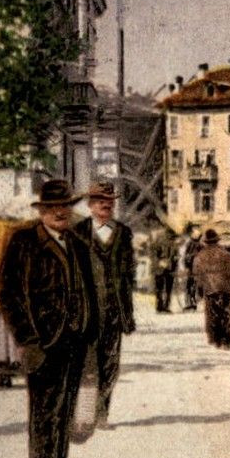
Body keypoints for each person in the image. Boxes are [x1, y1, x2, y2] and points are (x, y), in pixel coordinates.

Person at [0, 179, 99, 458]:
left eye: (65, 207)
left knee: (65, 406)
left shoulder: (77, 244)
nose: (60, 212)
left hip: (74, 338)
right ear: (42, 210)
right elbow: (10, 294)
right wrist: (28, 340)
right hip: (43, 339)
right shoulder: (24, 241)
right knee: (44, 407)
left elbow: (88, 290)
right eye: (53, 207)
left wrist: (89, 327)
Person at [74, 181, 136, 440]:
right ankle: (85, 413)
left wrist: (128, 312)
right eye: (101, 200)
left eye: (110, 201)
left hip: (113, 309)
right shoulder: (77, 232)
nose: (106, 204)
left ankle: (102, 413)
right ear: (90, 205)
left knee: (110, 364)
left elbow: (129, 273)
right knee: (87, 363)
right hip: (87, 310)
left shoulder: (123, 233)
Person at [193, 229, 230, 349]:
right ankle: (226, 339)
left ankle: (216, 339)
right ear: (217, 241)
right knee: (225, 313)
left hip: (209, 289)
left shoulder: (200, 256)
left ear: (206, 242)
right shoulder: (228, 255)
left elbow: (197, 274)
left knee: (212, 314)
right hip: (225, 289)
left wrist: (199, 288)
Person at [149, 225, 179, 313]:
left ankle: (166, 306)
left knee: (168, 289)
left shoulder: (174, 244)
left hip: (170, 269)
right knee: (159, 289)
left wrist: (175, 261)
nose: (171, 239)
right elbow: (153, 255)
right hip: (159, 269)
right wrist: (159, 262)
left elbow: (175, 256)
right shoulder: (158, 242)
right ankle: (159, 307)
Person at [181, 228, 202, 310]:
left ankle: (192, 302)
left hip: (196, 268)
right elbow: (186, 255)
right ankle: (189, 302)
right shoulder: (190, 243)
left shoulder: (199, 245)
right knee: (189, 285)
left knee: (193, 286)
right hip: (191, 267)